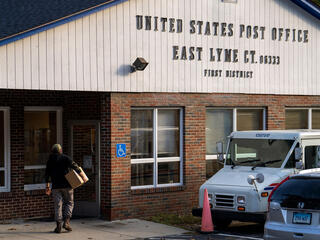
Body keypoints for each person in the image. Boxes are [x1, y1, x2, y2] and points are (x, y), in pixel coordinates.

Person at [45, 144, 88, 233]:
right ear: (60, 150)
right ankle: (67, 222)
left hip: (56, 186)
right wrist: (83, 177)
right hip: (67, 185)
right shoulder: (65, 158)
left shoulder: (50, 161)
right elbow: (75, 167)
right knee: (69, 203)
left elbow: (47, 175)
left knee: (58, 205)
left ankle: (58, 226)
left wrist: (47, 187)